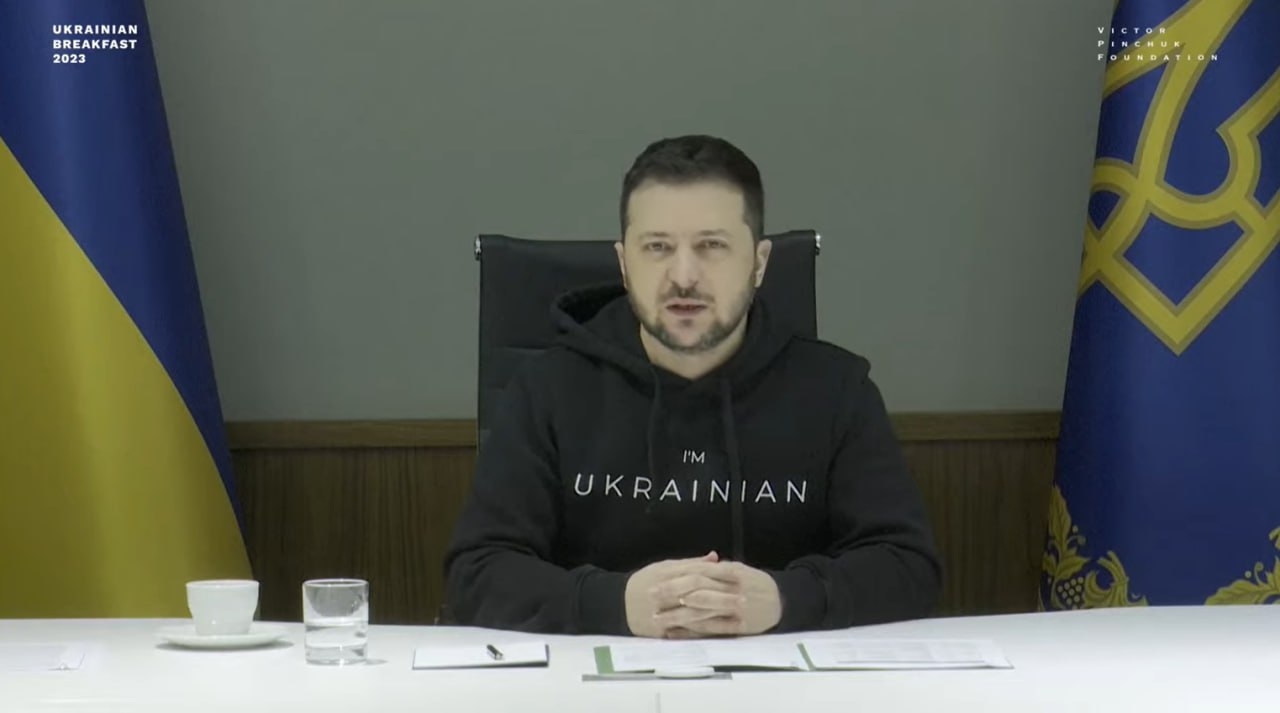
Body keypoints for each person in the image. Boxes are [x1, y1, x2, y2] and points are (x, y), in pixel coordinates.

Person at [445, 135, 940, 638]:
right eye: (657, 247)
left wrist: (787, 598)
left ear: (759, 263)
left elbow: (909, 566)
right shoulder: (548, 389)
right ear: (624, 263)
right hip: (593, 674)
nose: (684, 276)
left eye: (712, 246)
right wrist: (614, 603)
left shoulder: (837, 391)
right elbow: (477, 572)